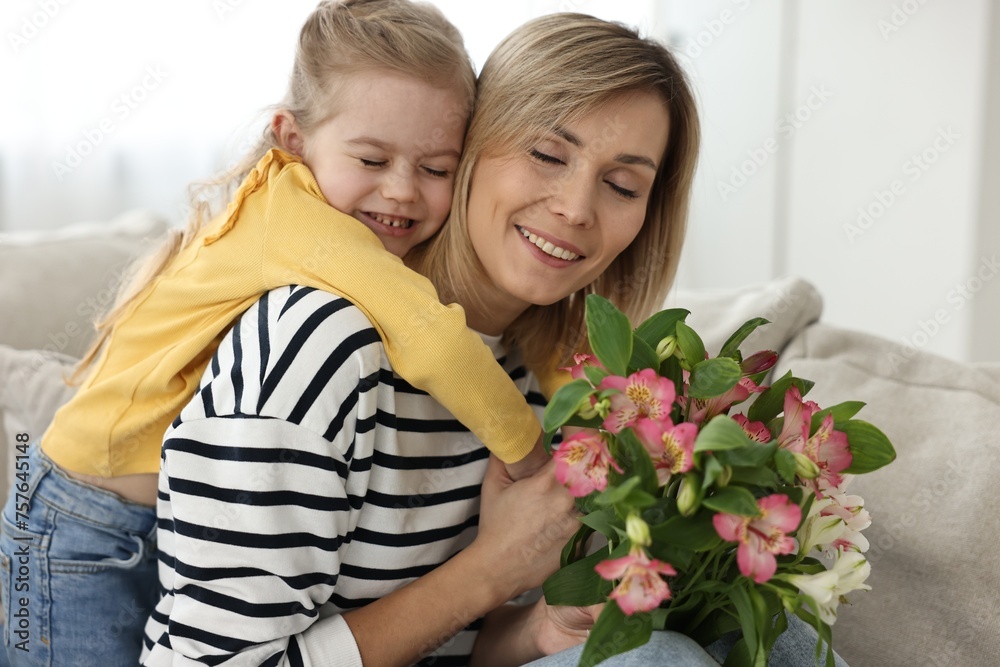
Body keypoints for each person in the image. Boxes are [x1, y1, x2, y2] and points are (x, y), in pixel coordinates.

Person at [138, 10, 720, 666]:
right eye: (547, 154)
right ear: (469, 146)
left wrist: (538, 633)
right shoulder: (319, 344)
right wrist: (490, 571)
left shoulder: (527, 383)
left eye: (622, 185)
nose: (578, 207)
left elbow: (451, 644)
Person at [0, 1, 551, 666]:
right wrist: (532, 459)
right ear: (292, 138)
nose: (403, 190)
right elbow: (431, 338)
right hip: (80, 524)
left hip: (140, 524)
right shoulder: (305, 225)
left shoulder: (294, 214)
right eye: (372, 158)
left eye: (436, 168)